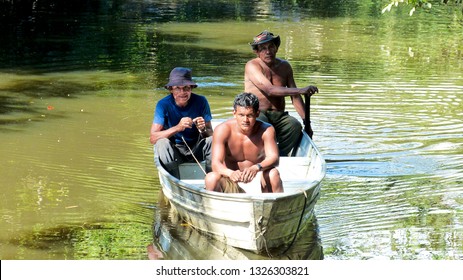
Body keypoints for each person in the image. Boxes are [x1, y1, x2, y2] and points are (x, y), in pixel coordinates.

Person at [245, 30, 319, 156]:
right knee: (263, 125)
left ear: (277, 48)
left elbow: (295, 97)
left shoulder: (285, 66)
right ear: (256, 52)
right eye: (263, 48)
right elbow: (270, 90)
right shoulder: (252, 65)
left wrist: (307, 122)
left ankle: (280, 155)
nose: (268, 51)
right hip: (258, 113)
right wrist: (301, 90)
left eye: (271, 47)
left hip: (279, 115)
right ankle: (260, 155)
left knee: (294, 126)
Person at [205, 92, 283, 193]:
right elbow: (216, 164)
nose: (245, 120)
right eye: (241, 115)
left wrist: (257, 167)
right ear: (234, 113)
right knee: (211, 178)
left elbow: (274, 159)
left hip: (259, 181)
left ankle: (276, 207)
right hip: (232, 182)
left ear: (257, 114)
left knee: (273, 174)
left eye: (250, 115)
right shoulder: (222, 130)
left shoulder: (266, 130)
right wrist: (230, 173)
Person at [150, 67, 213, 178]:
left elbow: (210, 134)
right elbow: (153, 138)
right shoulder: (163, 105)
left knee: (213, 140)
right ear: (171, 89)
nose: (182, 92)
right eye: (177, 88)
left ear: (191, 88)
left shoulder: (201, 101)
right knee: (162, 143)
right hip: (176, 151)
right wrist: (177, 128)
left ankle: (212, 179)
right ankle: (174, 180)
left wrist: (203, 129)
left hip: (197, 148)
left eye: (186, 88)